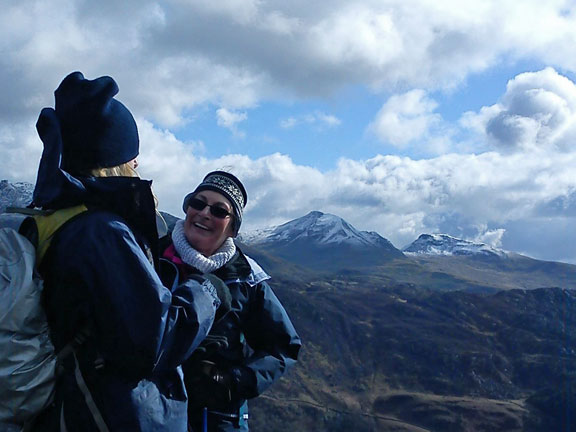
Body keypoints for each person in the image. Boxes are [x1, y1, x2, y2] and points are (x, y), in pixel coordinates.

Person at [30, 72, 224, 431]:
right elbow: (153, 343)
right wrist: (207, 290)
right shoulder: (102, 233)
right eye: (131, 154)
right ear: (110, 159)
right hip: (109, 413)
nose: (137, 163)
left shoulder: (61, 219)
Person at [161, 171, 301, 431]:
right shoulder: (152, 257)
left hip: (215, 418)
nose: (204, 213)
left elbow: (283, 346)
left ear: (232, 227)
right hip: (149, 409)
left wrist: (234, 380)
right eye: (198, 203)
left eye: (218, 211)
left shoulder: (246, 279)